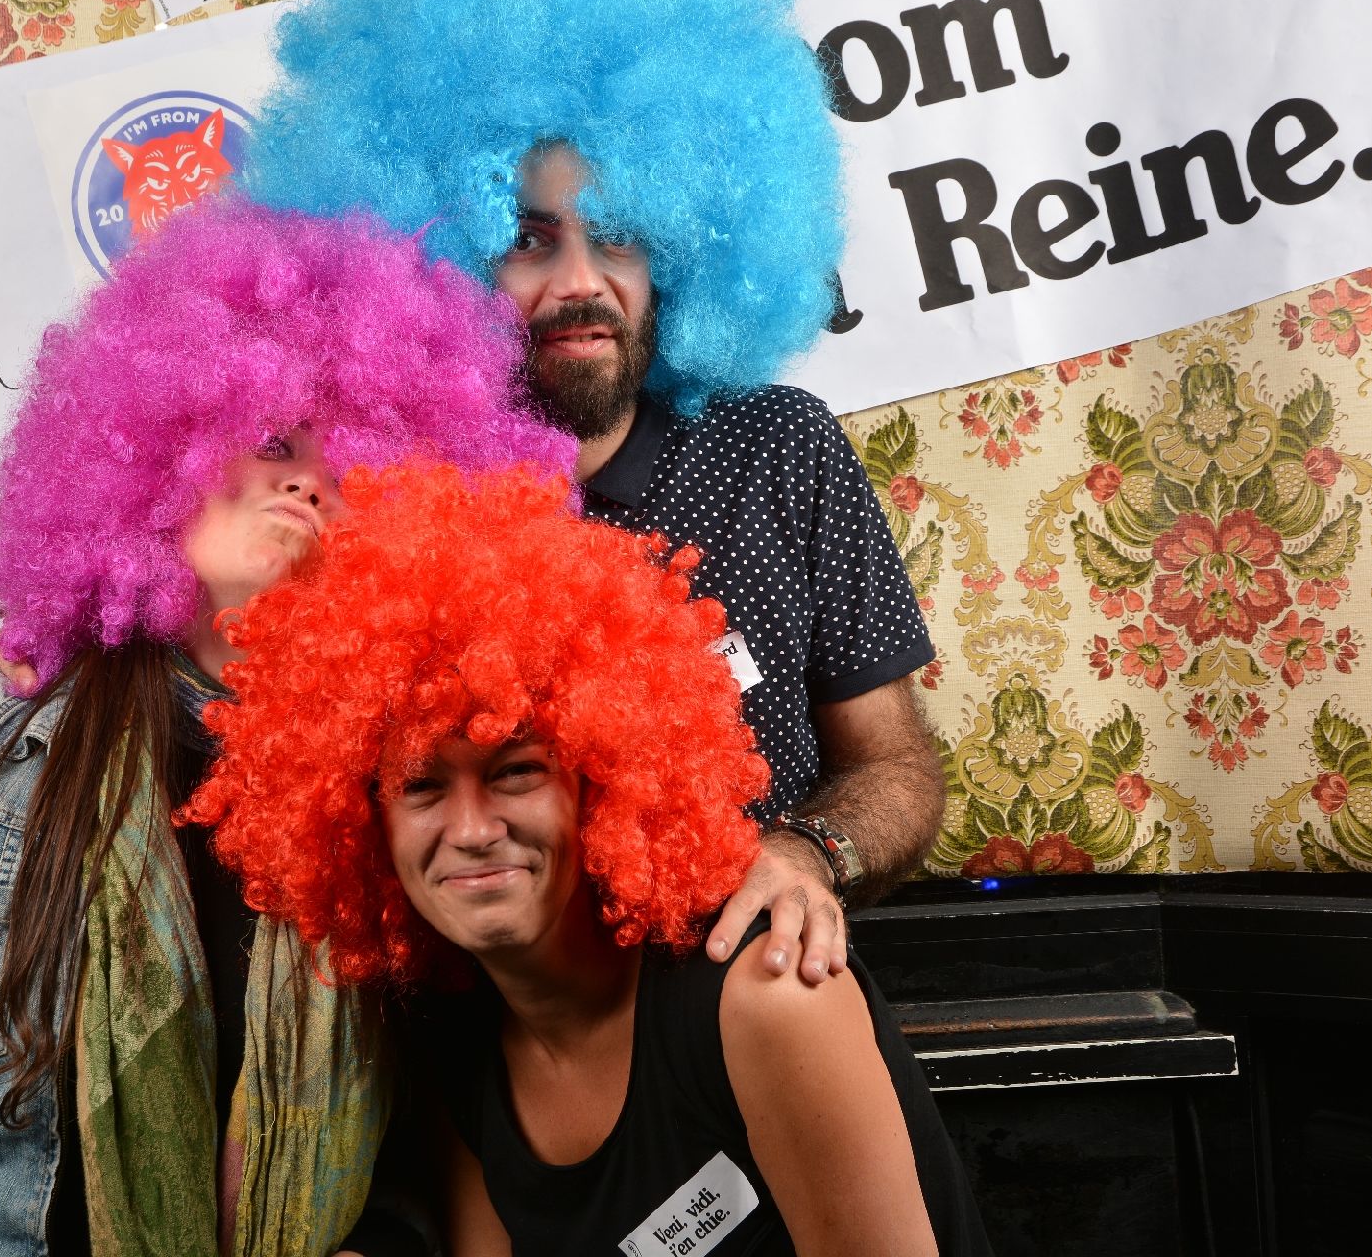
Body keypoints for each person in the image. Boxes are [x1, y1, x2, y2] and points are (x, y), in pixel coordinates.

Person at [0, 200, 574, 1256]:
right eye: (271, 439)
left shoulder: (417, 792)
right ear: (159, 449)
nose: (308, 481)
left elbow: (439, 1138)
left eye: (356, 470)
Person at [241, 0, 947, 986]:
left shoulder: (777, 449)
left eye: (617, 233)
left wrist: (804, 852)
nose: (580, 282)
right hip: (495, 1035)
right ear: (437, 261)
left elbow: (895, 769)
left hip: (751, 1001)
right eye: (526, 241)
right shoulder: (387, 503)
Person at [191, 463, 991, 1255]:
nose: (472, 829)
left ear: (598, 782)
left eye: (515, 772)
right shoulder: (458, 1050)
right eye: (420, 786)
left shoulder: (765, 996)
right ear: (368, 825)